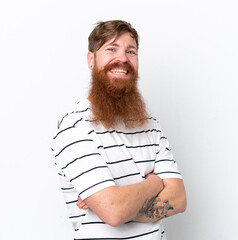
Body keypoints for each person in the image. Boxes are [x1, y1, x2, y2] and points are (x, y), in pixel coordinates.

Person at [51, 20, 187, 240]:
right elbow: (114, 212)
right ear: (91, 59)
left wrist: (118, 205)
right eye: (111, 49)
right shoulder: (74, 128)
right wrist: (154, 183)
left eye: (130, 51)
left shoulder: (150, 125)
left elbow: (179, 199)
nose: (123, 58)